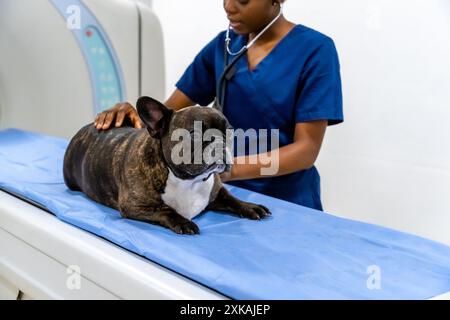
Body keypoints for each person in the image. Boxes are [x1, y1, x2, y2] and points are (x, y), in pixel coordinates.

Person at [94, 0, 343, 211]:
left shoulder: (315, 50)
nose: (229, 7)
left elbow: (305, 151)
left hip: (287, 200)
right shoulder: (223, 46)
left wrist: (227, 169)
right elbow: (168, 117)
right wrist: (136, 115)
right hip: (218, 196)